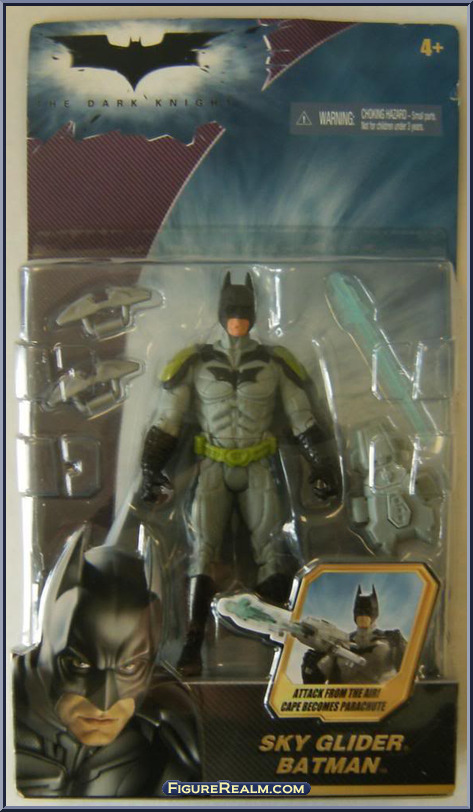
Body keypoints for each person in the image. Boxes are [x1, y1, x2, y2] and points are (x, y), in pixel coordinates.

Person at [140, 272, 340, 675]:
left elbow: (302, 418)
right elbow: (168, 420)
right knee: (202, 550)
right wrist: (150, 467)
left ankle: (277, 645)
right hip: (212, 465)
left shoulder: (275, 362)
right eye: (231, 310)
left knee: (272, 550)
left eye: (245, 310)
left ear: (255, 313)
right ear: (220, 312)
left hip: (258, 465)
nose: (238, 318)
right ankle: (192, 644)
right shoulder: (194, 363)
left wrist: (321, 465)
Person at [13, 526, 201, 797]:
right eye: (79, 665)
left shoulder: (167, 738)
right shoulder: (10, 713)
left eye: (129, 667)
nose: (104, 702)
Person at [301, 585, 407, 684]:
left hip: (385, 696)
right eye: (360, 611)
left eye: (367, 610)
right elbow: (314, 683)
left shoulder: (392, 641)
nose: (363, 615)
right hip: (345, 697)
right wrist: (310, 669)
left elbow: (411, 672)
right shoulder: (339, 643)